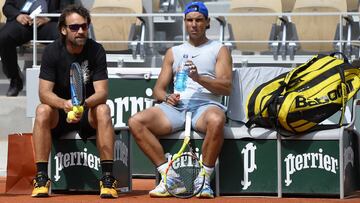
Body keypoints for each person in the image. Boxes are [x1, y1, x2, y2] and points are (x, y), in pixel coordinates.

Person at [128, 1, 232, 199]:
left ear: (207, 22)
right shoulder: (173, 52)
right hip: (176, 107)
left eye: (199, 20)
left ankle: (203, 180)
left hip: (206, 105)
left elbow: (226, 87)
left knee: (217, 120)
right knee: (135, 121)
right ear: (184, 22)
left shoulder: (219, 49)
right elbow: (158, 89)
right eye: (190, 20)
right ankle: (170, 177)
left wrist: (199, 78)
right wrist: (167, 97)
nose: (194, 24)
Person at [31, 5, 118, 199]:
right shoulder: (52, 51)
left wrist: (82, 105)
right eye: (74, 27)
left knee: (103, 109)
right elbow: (44, 93)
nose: (80, 31)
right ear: (63, 29)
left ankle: (107, 178)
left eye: (84, 26)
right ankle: (42, 178)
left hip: (86, 111)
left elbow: (102, 93)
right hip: (61, 113)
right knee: (42, 110)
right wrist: (65, 104)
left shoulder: (96, 50)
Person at [0, 0, 73, 96]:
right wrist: (18, 16)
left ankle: (61, 82)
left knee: (63, 36)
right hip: (22, 23)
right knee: (4, 38)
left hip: (47, 23)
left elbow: (67, 8)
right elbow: (7, 7)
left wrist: (48, 17)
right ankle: (15, 79)